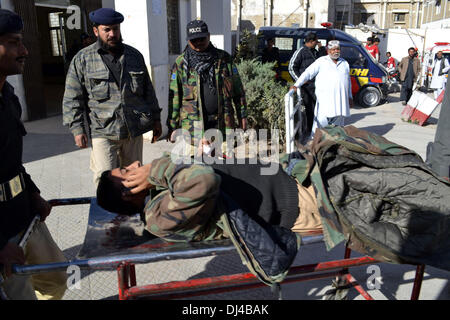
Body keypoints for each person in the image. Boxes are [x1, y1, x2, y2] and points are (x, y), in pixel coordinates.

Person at [0, 9, 67, 300]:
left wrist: (33, 194)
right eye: (14, 42)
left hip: (22, 214)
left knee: (57, 276)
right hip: (1, 234)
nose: (24, 51)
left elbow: (12, 161)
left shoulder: (8, 97)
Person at [62, 8, 162, 186]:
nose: (112, 34)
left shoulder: (134, 56)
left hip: (133, 131)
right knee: (106, 182)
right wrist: (77, 129)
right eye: (106, 30)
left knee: (134, 180)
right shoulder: (83, 59)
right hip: (103, 132)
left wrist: (156, 119)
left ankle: (132, 213)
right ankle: (108, 214)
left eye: (115, 29)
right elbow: (72, 97)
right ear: (96, 31)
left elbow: (148, 91)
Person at [167, 20, 248, 149]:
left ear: (209, 36)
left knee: (224, 168)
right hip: (193, 132)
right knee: (197, 168)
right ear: (188, 41)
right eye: (194, 40)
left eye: (201, 38)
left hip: (223, 126)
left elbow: (238, 92)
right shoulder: (181, 64)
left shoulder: (224, 59)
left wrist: (242, 117)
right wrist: (171, 126)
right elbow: (174, 97)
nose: (198, 42)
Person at [290, 40, 352, 139]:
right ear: (328, 50)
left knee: (338, 129)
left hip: (340, 102)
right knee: (319, 126)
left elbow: (348, 81)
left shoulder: (345, 63)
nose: (335, 51)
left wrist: (350, 96)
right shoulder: (321, 61)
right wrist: (297, 84)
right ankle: (314, 143)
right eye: (333, 49)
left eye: (337, 49)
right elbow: (307, 73)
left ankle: (336, 145)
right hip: (325, 101)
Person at [288, 32, 320, 138]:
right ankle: (308, 130)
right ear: (311, 42)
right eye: (316, 41)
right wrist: (300, 81)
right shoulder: (300, 52)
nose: (317, 43)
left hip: (315, 86)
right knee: (308, 109)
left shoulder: (315, 52)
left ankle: (314, 130)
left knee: (316, 108)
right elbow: (291, 67)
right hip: (305, 88)